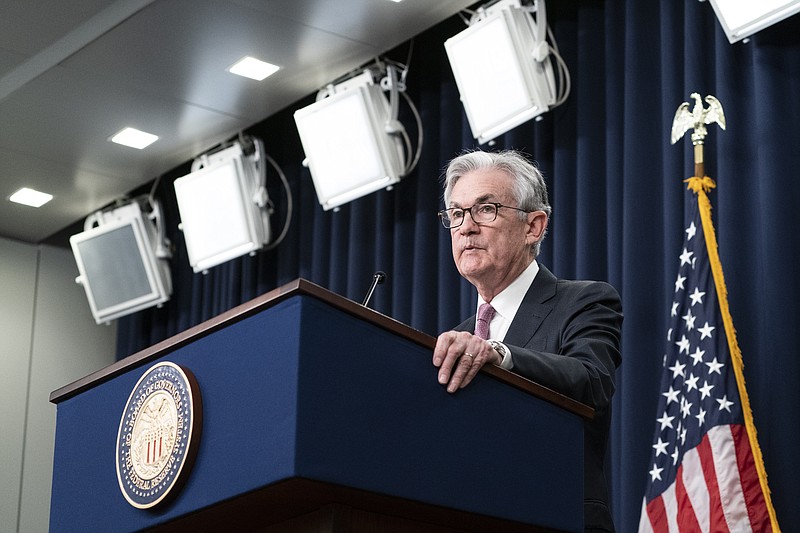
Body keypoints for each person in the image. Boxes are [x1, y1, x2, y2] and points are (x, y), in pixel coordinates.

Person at [433, 149, 623, 532]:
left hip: (556, 517)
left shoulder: (583, 301)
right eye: (456, 214)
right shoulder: (460, 338)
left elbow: (591, 380)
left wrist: (499, 355)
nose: (466, 227)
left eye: (485, 209)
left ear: (533, 226)